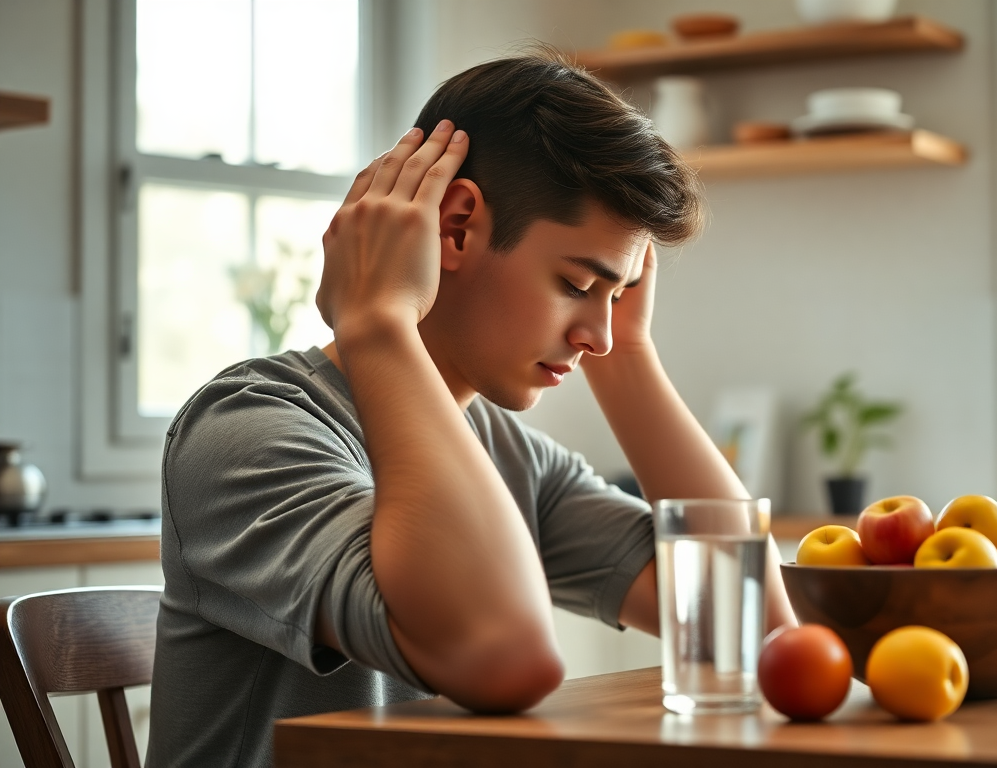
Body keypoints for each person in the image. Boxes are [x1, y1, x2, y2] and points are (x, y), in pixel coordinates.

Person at [146, 51, 796, 768]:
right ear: (454, 230)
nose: (599, 336)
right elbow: (505, 659)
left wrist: (631, 358)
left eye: (617, 295)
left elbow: (752, 633)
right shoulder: (244, 432)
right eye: (578, 282)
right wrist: (378, 323)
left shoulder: (507, 454)